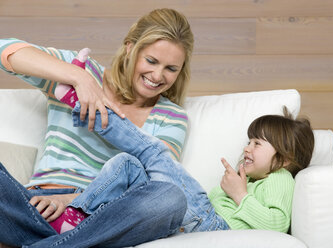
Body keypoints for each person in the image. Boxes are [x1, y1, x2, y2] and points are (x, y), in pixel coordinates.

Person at [0, 8, 193, 247]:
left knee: (170, 199)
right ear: (130, 47)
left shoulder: (171, 117)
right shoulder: (83, 72)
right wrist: (79, 79)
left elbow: (156, 180)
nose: (157, 75)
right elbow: (5, 49)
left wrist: (78, 201)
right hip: (33, 206)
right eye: (151, 61)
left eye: (171, 68)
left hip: (100, 216)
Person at [64, 104, 314, 236]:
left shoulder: (279, 179)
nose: (247, 149)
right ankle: (77, 214)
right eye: (248, 141)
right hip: (201, 218)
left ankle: (95, 114)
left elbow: (276, 225)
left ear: (282, 160)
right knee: (127, 163)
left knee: (155, 153)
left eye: (257, 144)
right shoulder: (250, 179)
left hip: (214, 224)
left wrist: (239, 194)